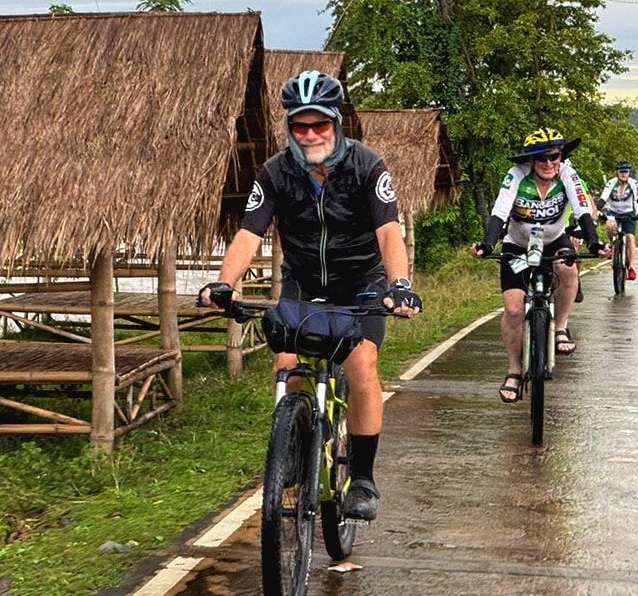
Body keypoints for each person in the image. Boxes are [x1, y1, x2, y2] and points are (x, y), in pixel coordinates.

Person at [198, 70, 421, 522]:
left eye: (319, 124)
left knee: (361, 363)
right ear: (291, 129)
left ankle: (361, 477)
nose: (310, 134)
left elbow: (388, 233)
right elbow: (248, 233)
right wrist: (225, 282)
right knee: (287, 366)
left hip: (361, 283)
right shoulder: (275, 172)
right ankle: (295, 453)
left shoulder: (367, 166)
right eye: (301, 126)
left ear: (336, 122)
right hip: (302, 281)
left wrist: (399, 286)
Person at [470, 128, 609, 403]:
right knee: (513, 309)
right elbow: (499, 211)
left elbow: (582, 210)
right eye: (540, 158)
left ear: (561, 157)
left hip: (554, 240)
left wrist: (593, 243)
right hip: (518, 245)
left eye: (554, 157)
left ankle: (561, 328)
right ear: (530, 161)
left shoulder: (568, 174)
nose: (548, 164)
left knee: (568, 268)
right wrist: (487, 244)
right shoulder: (516, 176)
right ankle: (514, 371)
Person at [598, 160, 638, 280]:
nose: (623, 174)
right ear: (617, 172)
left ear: (629, 173)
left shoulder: (633, 183)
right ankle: (612, 245)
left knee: (630, 238)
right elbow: (603, 198)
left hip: (628, 213)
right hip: (613, 212)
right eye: (621, 172)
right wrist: (597, 210)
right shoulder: (611, 183)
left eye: (626, 172)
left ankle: (631, 267)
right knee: (609, 226)